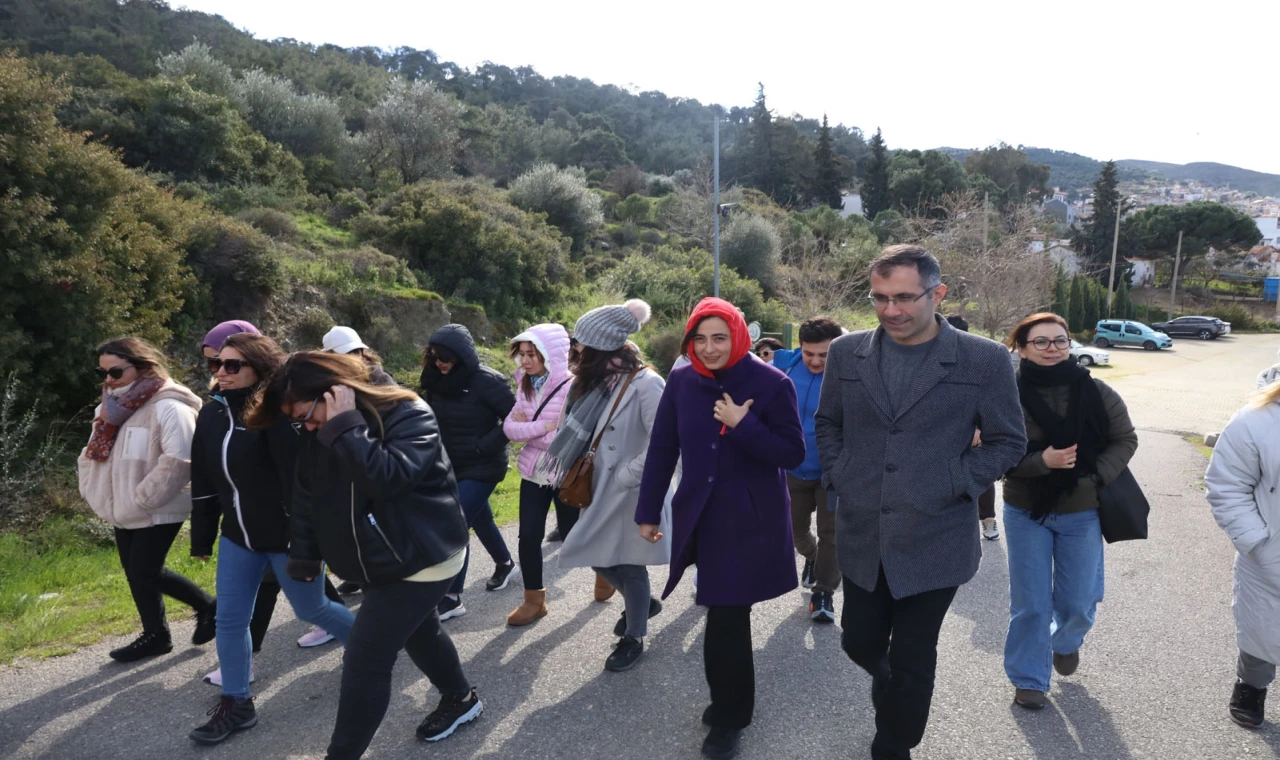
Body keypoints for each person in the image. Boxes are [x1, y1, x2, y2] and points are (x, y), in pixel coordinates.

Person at [814, 245, 1026, 760]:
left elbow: (1008, 441)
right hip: (864, 533)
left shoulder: (985, 359)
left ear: (938, 293)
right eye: (880, 298)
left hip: (936, 537)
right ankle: (895, 696)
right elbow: (828, 424)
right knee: (858, 643)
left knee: (912, 656)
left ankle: (894, 744)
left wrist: (955, 479)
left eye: (905, 297)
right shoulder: (847, 353)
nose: (891, 311)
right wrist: (844, 473)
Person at [248, 351, 481, 758]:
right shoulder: (318, 430)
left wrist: (345, 428)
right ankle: (461, 699)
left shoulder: (408, 412)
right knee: (420, 633)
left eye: (308, 415)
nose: (307, 426)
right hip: (376, 560)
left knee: (365, 660)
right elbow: (307, 494)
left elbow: (389, 478)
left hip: (423, 557)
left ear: (337, 392)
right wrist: (303, 554)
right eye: (297, 421)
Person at [637, 296, 805, 760]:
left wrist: (744, 423)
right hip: (702, 514)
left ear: (738, 336)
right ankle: (731, 704)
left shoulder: (771, 382)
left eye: (720, 338)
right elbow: (663, 447)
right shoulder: (682, 379)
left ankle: (730, 716)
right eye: (700, 338)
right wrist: (648, 511)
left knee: (726, 615)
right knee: (722, 612)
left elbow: (792, 453)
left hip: (750, 519)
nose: (709, 348)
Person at [188, 333, 356, 745]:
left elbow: (300, 485)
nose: (221, 374)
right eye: (216, 365)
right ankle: (237, 702)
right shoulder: (210, 415)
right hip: (238, 538)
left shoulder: (277, 418)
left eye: (232, 366)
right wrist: (202, 537)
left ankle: (372, 645)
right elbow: (205, 482)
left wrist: (312, 543)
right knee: (229, 618)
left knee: (313, 607)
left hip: (285, 537)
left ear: (258, 370)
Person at [1002, 313, 1137, 710]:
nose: (1052, 349)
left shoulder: (1096, 392)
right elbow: (996, 452)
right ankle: (1028, 678)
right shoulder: (1005, 395)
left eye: (1060, 341)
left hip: (1083, 509)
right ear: (1022, 348)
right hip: (1026, 509)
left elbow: (1124, 439)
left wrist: (1095, 476)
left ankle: (1065, 641)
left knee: (1078, 601)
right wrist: (1041, 461)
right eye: (1041, 342)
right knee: (1031, 602)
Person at [539, 301, 669, 670]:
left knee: (628, 564)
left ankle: (634, 635)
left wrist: (627, 475)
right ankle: (641, 603)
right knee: (591, 551)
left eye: (579, 342)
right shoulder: (588, 380)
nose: (573, 348)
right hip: (594, 485)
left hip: (629, 491)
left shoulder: (646, 382)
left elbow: (664, 443)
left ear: (600, 344)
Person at [78, 338, 213, 663]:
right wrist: (92, 486)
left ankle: (209, 607)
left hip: (158, 507)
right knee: (134, 571)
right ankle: (156, 635)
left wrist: (143, 499)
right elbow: (93, 455)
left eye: (115, 371)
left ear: (141, 366)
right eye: (104, 372)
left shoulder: (170, 406)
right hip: (121, 505)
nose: (108, 379)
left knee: (145, 570)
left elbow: (179, 460)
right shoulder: (109, 407)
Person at [420, 324, 518, 619]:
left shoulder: (488, 381)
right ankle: (505, 562)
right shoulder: (434, 378)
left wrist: (483, 446)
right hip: (449, 464)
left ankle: (451, 597)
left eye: (446, 357)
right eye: (435, 356)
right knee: (480, 517)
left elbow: (515, 418)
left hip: (484, 465)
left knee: (455, 523)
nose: (440, 363)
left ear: (461, 357)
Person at [1205, 379, 1280, 729]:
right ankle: (1251, 687)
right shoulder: (1256, 420)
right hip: (1270, 559)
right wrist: (1257, 542)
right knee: (1262, 631)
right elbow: (1227, 484)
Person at [503, 324, 578, 626]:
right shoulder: (524, 384)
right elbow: (509, 429)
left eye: (532, 354)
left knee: (576, 536)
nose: (525, 360)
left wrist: (531, 427)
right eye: (522, 354)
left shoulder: (574, 386)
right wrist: (542, 427)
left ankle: (606, 574)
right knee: (528, 537)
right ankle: (534, 600)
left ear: (552, 355)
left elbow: (568, 434)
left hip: (565, 472)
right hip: (534, 473)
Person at [770, 317, 843, 623]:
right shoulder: (780, 368)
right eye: (809, 353)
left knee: (833, 534)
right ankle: (811, 557)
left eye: (824, 355)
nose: (815, 360)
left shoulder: (850, 374)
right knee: (795, 531)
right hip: (791, 469)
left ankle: (824, 592)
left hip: (832, 474)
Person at [321, 325, 395, 596]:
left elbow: (390, 424)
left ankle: (374, 581)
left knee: (370, 524)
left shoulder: (379, 379)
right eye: (345, 353)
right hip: (351, 463)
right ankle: (360, 574)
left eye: (355, 352)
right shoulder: (336, 384)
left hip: (373, 460)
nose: (353, 357)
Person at [945, 313, 1001, 541]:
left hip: (974, 432)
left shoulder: (978, 360)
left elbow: (988, 400)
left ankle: (988, 520)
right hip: (942, 432)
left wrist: (978, 428)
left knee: (981, 478)